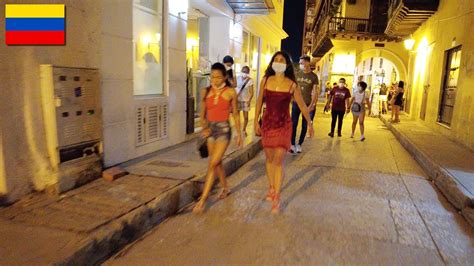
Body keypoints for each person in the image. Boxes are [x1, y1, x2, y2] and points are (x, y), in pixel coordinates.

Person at [254, 51, 314, 214]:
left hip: (283, 125)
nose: (278, 62)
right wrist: (255, 121)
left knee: (279, 160)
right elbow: (259, 100)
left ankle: (277, 197)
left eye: (282, 60)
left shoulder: (292, 84)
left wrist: (309, 123)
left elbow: (302, 105)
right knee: (269, 158)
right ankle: (271, 187)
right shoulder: (265, 80)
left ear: (287, 64)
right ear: (272, 62)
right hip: (268, 124)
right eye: (276, 59)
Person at [193, 63, 242, 213]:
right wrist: (205, 127)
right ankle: (225, 188)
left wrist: (239, 134)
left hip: (224, 131)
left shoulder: (230, 92)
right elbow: (202, 115)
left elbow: (235, 113)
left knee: (213, 163)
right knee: (216, 161)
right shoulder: (205, 91)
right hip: (210, 130)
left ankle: (203, 199)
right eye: (212, 77)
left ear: (225, 77)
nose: (214, 80)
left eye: (218, 77)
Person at [290, 55, 319, 154]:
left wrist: (311, 105)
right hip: (296, 103)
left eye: (302, 62)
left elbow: (315, 92)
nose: (300, 64)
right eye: (300, 63)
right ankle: (292, 144)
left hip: (306, 104)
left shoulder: (313, 77)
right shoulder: (297, 74)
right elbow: (292, 87)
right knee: (293, 124)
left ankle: (299, 144)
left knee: (304, 125)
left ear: (307, 63)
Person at [236, 66, 254, 136]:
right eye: (243, 71)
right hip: (238, 100)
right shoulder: (237, 79)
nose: (244, 73)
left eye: (246, 72)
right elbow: (234, 89)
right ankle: (238, 130)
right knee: (237, 116)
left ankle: (243, 130)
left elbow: (252, 92)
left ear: (248, 72)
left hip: (246, 101)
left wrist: (249, 101)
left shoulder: (250, 80)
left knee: (246, 117)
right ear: (241, 71)